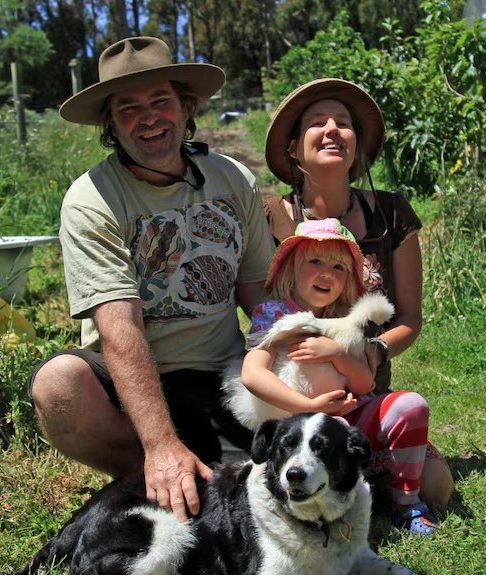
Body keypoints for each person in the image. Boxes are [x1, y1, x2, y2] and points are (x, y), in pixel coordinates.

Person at [28, 36, 276, 523]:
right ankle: (157, 470)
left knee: (262, 480)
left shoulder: (231, 180)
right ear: (111, 124)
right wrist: (160, 442)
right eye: (128, 108)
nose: (149, 117)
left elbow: (260, 295)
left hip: (221, 375)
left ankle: (193, 477)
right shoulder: (92, 199)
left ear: (186, 108)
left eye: (161, 101)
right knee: (58, 385)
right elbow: (119, 329)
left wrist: (287, 372)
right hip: (133, 386)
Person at [262, 78, 454, 509]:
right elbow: (258, 310)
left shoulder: (391, 214)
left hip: (362, 395)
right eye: (317, 122)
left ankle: (371, 473)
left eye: (343, 123)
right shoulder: (269, 216)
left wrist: (375, 350)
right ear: (293, 148)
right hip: (292, 402)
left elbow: (409, 317)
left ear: (356, 145)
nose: (332, 130)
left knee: (437, 487)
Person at [240, 217, 438, 535]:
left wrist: (336, 353)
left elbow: (364, 385)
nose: (326, 273)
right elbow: (252, 374)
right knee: (334, 432)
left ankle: (407, 502)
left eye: (338, 268)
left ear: (348, 281)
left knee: (410, 406)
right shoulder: (275, 315)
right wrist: (308, 407)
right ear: (289, 268)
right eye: (315, 261)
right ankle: (330, 511)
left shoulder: (345, 322)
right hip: (299, 428)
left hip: (349, 414)